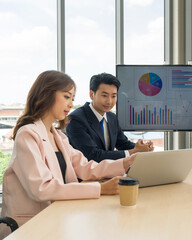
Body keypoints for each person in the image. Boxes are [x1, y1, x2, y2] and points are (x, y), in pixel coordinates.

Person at [0, 71, 135, 238]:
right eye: (66, 97)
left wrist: (125, 162)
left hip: (59, 217)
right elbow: (42, 188)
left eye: (72, 98)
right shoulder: (27, 134)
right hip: (33, 225)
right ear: (46, 94)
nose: (71, 104)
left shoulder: (58, 136)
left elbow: (85, 167)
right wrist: (100, 188)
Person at [66, 73, 153, 163]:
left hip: (109, 174)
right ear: (92, 94)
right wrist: (133, 152)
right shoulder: (76, 119)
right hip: (84, 176)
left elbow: (122, 143)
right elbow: (92, 155)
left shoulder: (112, 117)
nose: (109, 101)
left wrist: (143, 147)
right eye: (104, 96)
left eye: (113, 96)